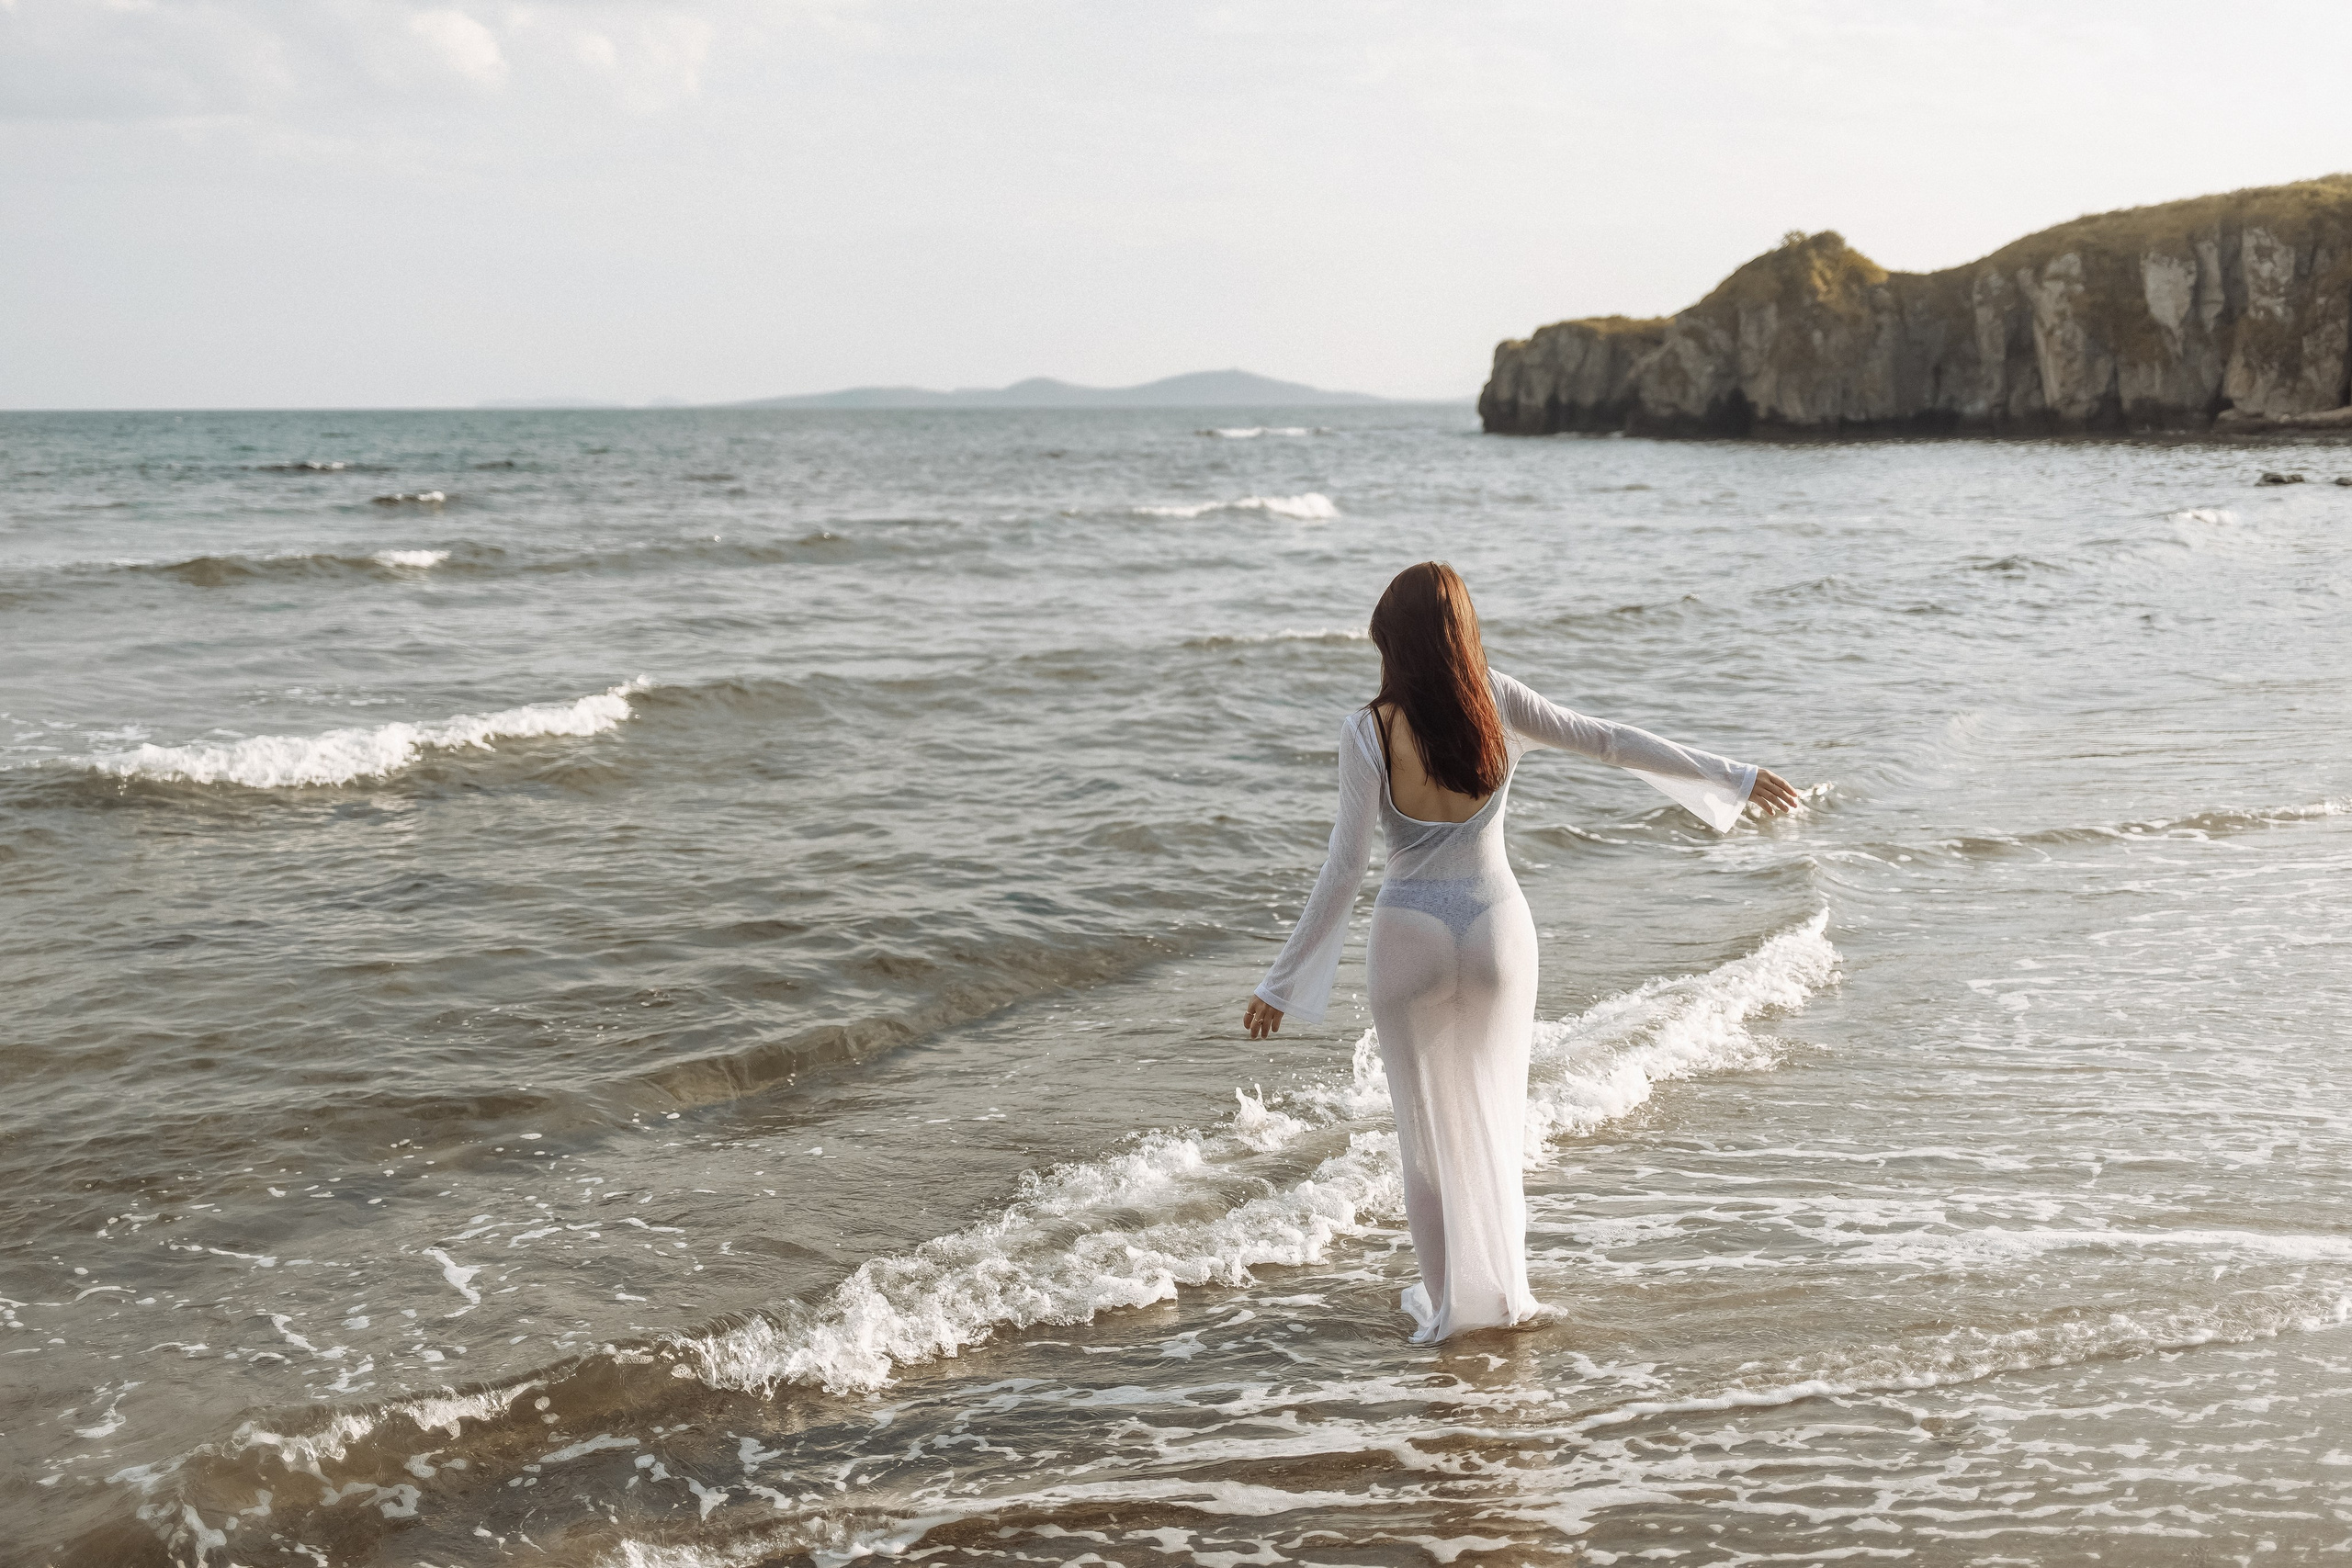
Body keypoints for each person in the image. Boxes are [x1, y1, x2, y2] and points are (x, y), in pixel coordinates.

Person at [1241, 562, 1800, 1342]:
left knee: (1424, 1140)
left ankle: (1447, 1311)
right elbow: (1610, 740)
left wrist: (1282, 981)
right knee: (1497, 1122)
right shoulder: (1496, 700)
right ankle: (1502, 1297)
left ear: (1395, 643)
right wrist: (1731, 776)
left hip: (1408, 933)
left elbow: (1345, 865)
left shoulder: (1368, 729)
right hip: (1496, 929)